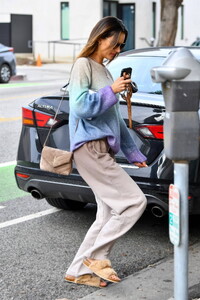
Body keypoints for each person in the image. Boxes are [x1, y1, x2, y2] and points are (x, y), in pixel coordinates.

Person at [65, 16, 147, 288]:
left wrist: (134, 154)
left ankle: (78, 270)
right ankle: (98, 257)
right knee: (135, 202)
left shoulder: (106, 71)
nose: (118, 50)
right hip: (90, 149)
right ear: (100, 38)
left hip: (102, 151)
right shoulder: (83, 65)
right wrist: (111, 90)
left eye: (122, 46)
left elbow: (115, 121)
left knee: (106, 216)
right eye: (115, 43)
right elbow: (80, 106)